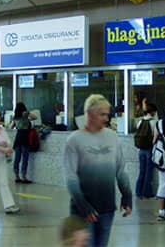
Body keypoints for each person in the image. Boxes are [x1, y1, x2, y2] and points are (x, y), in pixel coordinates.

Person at [64, 94, 133, 247]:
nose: (106, 119)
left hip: (107, 209)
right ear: (89, 113)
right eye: (102, 114)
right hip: (82, 212)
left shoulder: (113, 137)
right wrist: (83, 205)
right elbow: (70, 177)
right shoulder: (74, 140)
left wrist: (127, 195)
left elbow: (121, 170)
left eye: (107, 114)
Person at [9, 102, 37, 183]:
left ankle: (17, 176)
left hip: (18, 137)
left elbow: (10, 127)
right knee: (25, 158)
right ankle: (24, 176)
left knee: (17, 158)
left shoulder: (15, 117)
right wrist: (28, 118)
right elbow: (35, 117)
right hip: (25, 137)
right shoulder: (25, 114)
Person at [135, 103, 157, 199]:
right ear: (152, 112)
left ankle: (138, 191)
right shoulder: (153, 122)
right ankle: (147, 192)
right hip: (149, 149)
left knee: (141, 171)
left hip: (140, 150)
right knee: (148, 172)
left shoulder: (140, 121)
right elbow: (155, 136)